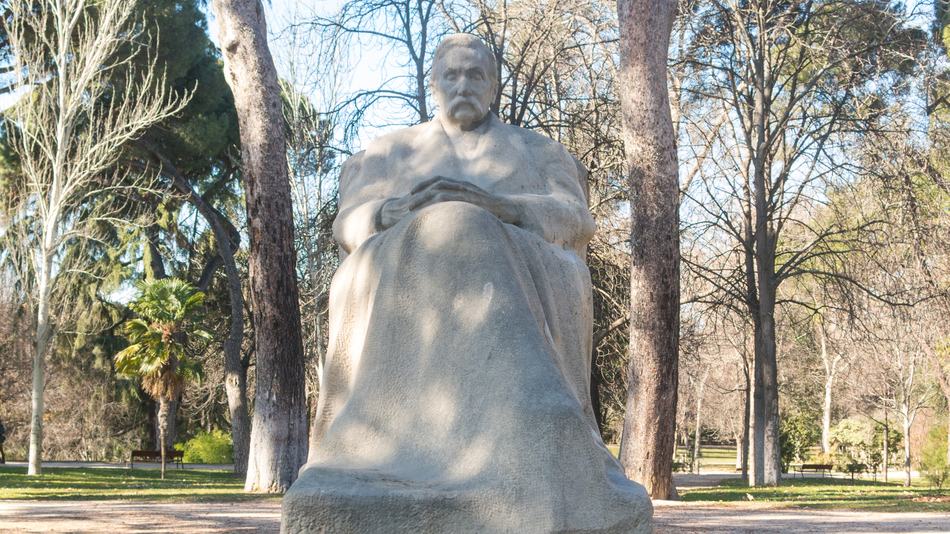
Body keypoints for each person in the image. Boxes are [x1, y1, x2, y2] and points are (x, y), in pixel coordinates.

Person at [283, 34, 651, 533]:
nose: (463, 85)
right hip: (405, 284)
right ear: (432, 85)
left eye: (476, 75)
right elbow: (346, 223)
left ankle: (532, 423)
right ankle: (399, 441)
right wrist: (391, 212)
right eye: (451, 75)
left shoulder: (539, 153)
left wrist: (503, 210)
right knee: (448, 224)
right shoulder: (388, 154)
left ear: (494, 85)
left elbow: (575, 220)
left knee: (463, 223)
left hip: (516, 270)